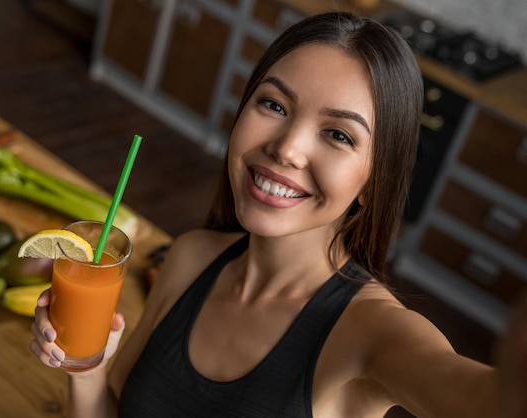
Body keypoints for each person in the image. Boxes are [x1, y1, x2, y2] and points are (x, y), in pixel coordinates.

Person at [30, 11, 527, 418]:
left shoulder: (375, 333)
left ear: (375, 185)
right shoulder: (189, 258)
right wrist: (86, 367)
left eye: (338, 134)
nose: (287, 148)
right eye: (274, 104)